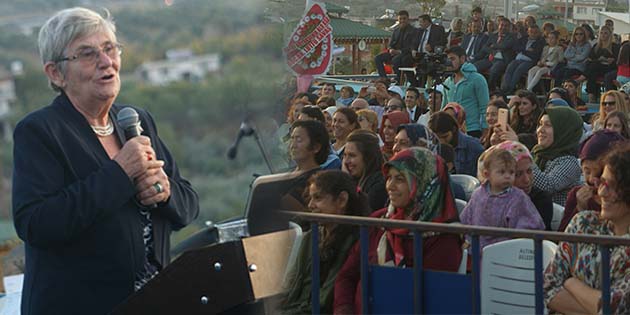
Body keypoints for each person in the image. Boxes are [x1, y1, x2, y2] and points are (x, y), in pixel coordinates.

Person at [12, 8, 200, 315]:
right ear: (56, 73)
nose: (106, 62)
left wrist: (166, 194)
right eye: (87, 54)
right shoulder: (39, 131)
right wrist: (120, 173)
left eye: (110, 49)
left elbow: (188, 204)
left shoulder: (137, 121)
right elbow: (36, 223)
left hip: (154, 301)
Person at [334, 148, 463, 314]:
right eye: (389, 178)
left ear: (424, 183)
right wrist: (343, 309)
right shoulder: (379, 221)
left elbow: (430, 299)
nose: (390, 186)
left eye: (400, 179)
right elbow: (347, 276)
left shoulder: (442, 237)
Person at [544, 143, 630, 314]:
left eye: (613, 186)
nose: (603, 192)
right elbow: (546, 286)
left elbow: (615, 308)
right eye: (603, 182)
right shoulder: (583, 224)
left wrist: (570, 283)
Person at [281, 170, 369, 314]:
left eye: (318, 198)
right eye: (310, 198)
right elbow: (291, 283)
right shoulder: (310, 237)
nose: (310, 205)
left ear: (342, 200)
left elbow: (326, 298)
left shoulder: (352, 240)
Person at [461, 148, 544, 249]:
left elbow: (530, 226)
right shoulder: (478, 194)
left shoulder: (518, 198)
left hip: (505, 251)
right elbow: (466, 220)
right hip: (475, 248)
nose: (507, 176)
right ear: (487, 174)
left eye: (511, 172)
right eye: (502, 172)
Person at [557, 130, 627, 231]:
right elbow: (561, 238)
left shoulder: (621, 199)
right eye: (587, 171)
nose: (591, 179)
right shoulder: (576, 196)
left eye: (598, 173)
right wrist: (580, 208)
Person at [479, 141, 555, 230]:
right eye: (518, 174)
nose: (526, 180)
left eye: (529, 171)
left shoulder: (540, 200)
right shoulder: (481, 196)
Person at [531, 107, 583, 206]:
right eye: (540, 124)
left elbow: (547, 186)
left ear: (564, 131)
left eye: (548, 125)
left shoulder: (569, 162)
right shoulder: (537, 152)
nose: (540, 130)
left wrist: (523, 157)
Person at [442, 45, 490, 138]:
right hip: (452, 131)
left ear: (462, 58)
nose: (449, 62)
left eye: (452, 59)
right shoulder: (447, 82)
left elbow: (484, 107)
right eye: (448, 59)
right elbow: (444, 107)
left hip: (472, 129)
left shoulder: (477, 79)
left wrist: (485, 130)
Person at [429, 111, 484, 177]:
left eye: (445, 137)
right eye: (437, 138)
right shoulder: (432, 148)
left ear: (454, 129)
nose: (441, 141)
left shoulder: (474, 147)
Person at [344, 131, 388, 211]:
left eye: (352, 155)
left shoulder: (379, 185)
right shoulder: (354, 180)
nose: (346, 161)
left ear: (368, 158)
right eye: (345, 155)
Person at [374, 10, 419, 84]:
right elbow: (391, 44)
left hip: (405, 54)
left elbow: (413, 46)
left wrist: (399, 52)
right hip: (394, 53)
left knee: (396, 60)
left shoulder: (414, 31)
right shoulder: (396, 30)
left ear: (408, 19)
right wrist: (391, 49)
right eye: (400, 19)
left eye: (404, 19)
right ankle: (384, 79)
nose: (402, 21)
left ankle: (399, 80)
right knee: (377, 58)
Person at [501, 24, 546, 95]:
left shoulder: (540, 42)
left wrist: (522, 50)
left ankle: (510, 90)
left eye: (535, 32)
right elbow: (515, 47)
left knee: (519, 70)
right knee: (509, 68)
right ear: (528, 32)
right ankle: (504, 88)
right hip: (518, 59)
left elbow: (535, 54)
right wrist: (526, 49)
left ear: (538, 33)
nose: (533, 34)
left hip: (529, 61)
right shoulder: (523, 39)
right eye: (531, 32)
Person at [474, 17, 516, 91]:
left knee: (494, 70)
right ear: (498, 25)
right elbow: (485, 47)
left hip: (502, 60)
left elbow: (505, 46)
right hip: (491, 58)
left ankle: (490, 89)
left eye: (506, 26)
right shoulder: (493, 35)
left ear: (509, 27)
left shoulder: (512, 37)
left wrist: (493, 45)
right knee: (475, 67)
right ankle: (477, 86)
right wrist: (492, 51)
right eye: (502, 25)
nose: (503, 27)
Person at [583, 25, 620, 103]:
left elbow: (618, 61)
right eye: (601, 33)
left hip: (610, 68)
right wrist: (599, 59)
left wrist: (611, 60)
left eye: (605, 33)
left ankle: (591, 93)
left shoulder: (614, 46)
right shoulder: (596, 46)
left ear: (610, 35)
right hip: (598, 68)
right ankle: (592, 95)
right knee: (593, 69)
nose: (603, 35)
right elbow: (590, 59)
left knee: (594, 66)